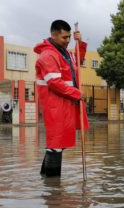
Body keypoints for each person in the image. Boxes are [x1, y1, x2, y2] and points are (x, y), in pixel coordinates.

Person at [34, 20, 88, 177]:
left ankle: (48, 183)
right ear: (54, 35)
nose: (68, 40)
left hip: (66, 103)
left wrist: (80, 44)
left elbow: (78, 61)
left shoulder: (65, 53)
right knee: (56, 144)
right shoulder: (48, 55)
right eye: (65, 37)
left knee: (59, 144)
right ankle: (52, 188)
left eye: (69, 37)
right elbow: (55, 83)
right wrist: (78, 94)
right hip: (55, 105)